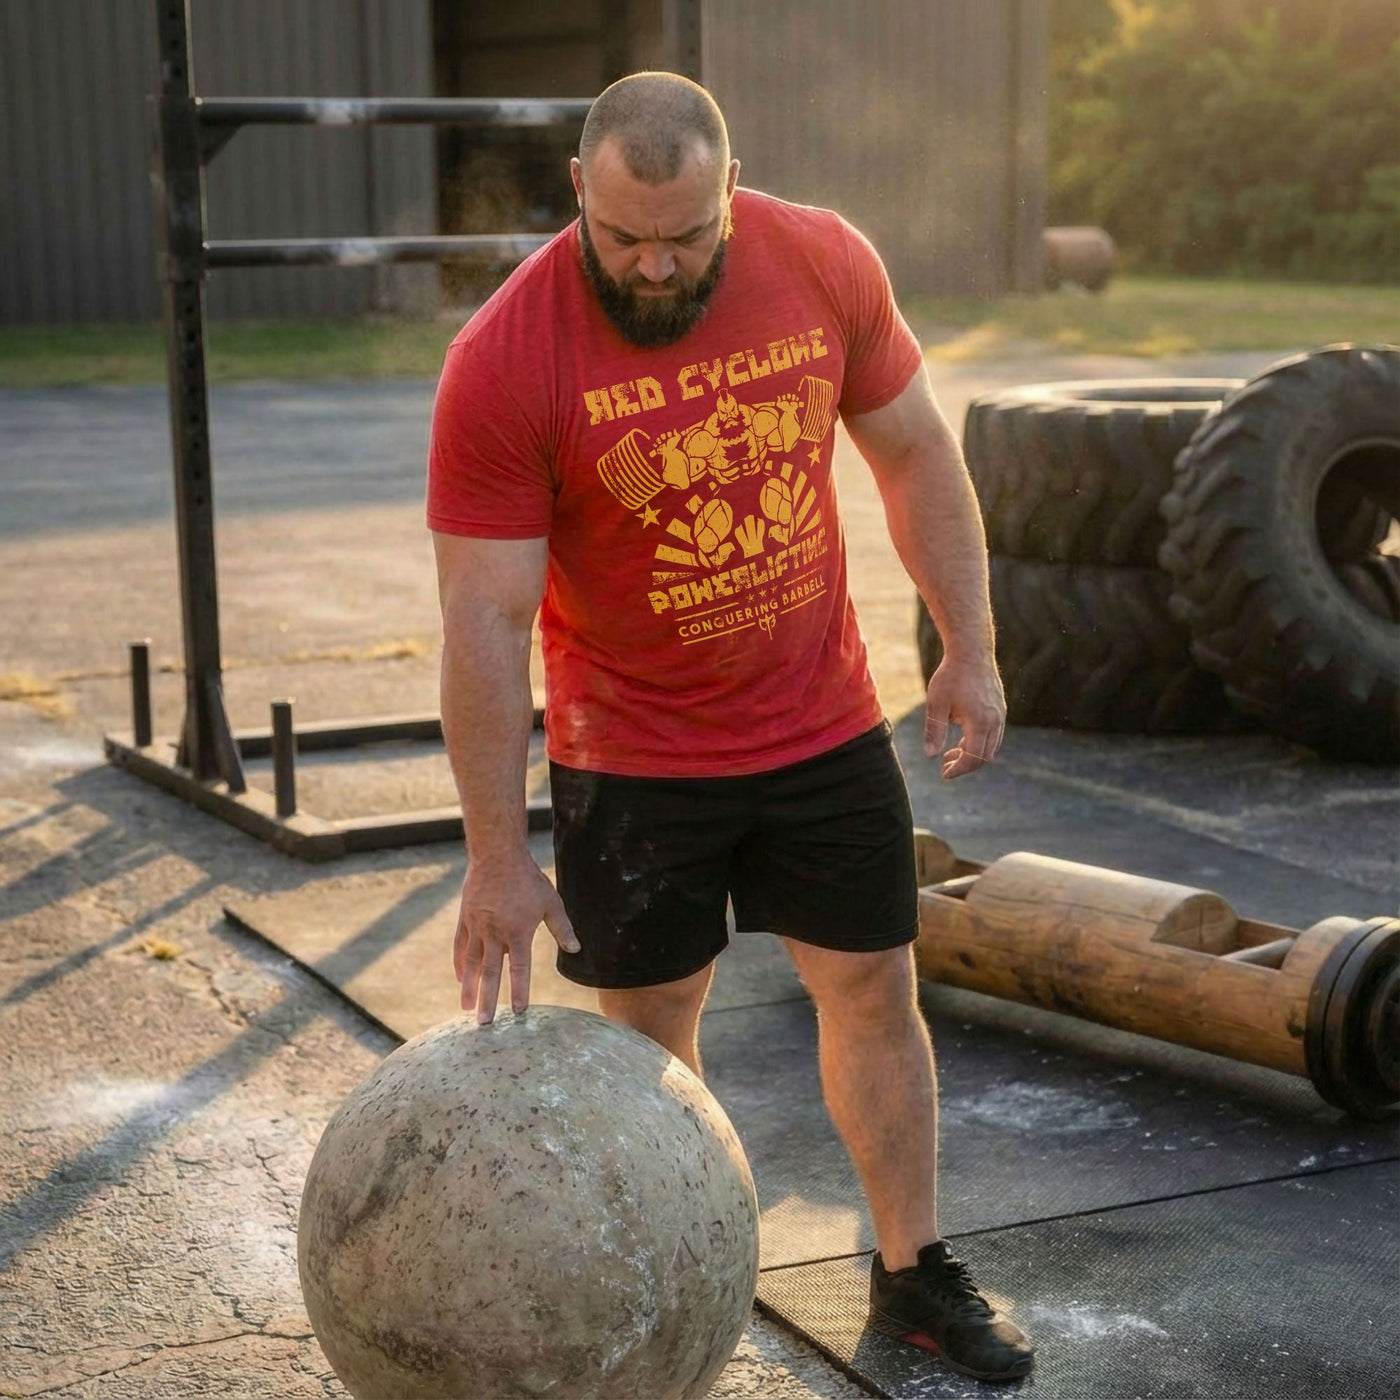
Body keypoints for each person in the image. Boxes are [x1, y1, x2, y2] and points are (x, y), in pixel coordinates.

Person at [427, 72, 1033, 1384]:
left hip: (820, 719)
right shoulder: (505, 358)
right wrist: (495, 853)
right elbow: (483, 621)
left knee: (873, 989)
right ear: (580, 191)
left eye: (687, 236)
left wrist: (968, 651)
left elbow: (916, 454)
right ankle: (680, 1294)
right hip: (633, 755)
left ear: (733, 189)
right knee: (652, 1045)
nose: (655, 267)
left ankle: (915, 1277)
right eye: (626, 237)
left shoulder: (822, 263)